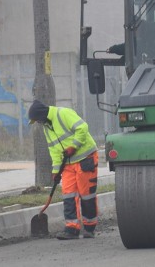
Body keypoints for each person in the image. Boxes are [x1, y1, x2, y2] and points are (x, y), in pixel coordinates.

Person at [28, 100, 99, 240]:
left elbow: (82, 128)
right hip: (67, 164)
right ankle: (71, 229)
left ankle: (89, 228)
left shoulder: (63, 113)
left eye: (37, 120)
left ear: (42, 115)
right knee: (68, 195)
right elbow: (54, 149)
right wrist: (55, 170)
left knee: (87, 195)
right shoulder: (46, 127)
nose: (37, 123)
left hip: (85, 158)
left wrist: (74, 145)